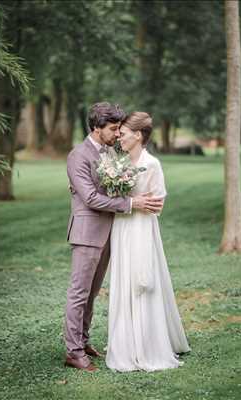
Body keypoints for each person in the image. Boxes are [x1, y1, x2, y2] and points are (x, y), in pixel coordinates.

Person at [65, 103, 163, 372]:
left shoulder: (109, 152)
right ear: (96, 128)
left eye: (119, 127)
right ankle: (73, 352)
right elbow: (91, 198)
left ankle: (83, 341)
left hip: (111, 233)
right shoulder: (78, 156)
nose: (117, 132)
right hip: (87, 234)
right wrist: (131, 204)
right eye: (112, 128)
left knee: (92, 293)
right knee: (78, 293)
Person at [106, 112, 191, 372]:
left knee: (143, 281)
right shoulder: (115, 163)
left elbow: (158, 205)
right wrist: (126, 198)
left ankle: (148, 345)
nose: (119, 135)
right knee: (124, 280)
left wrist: (136, 203)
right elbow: (111, 199)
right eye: (118, 132)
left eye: (123, 132)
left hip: (142, 229)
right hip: (121, 227)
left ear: (138, 135)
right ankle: (125, 344)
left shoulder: (151, 163)